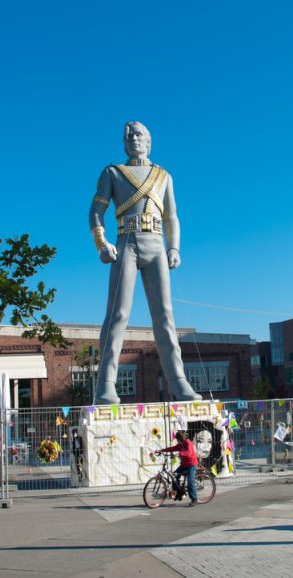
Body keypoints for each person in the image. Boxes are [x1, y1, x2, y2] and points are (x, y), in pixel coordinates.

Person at [88, 121, 202, 405]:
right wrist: (102, 244)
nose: (132, 138)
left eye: (138, 134)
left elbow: (172, 217)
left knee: (165, 317)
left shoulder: (164, 176)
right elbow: (96, 211)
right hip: (125, 242)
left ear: (149, 141)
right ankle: (106, 385)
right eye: (128, 135)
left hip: (156, 245)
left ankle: (178, 382)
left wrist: (174, 247)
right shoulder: (112, 173)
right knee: (117, 316)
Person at [156, 430, 199, 506]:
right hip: (184, 464)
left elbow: (188, 453)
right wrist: (161, 450)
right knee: (174, 476)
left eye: (177, 439)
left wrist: (178, 454)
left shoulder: (188, 443)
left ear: (180, 439)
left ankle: (194, 499)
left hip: (191, 464)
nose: (177, 441)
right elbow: (172, 448)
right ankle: (179, 493)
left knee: (190, 482)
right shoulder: (181, 444)